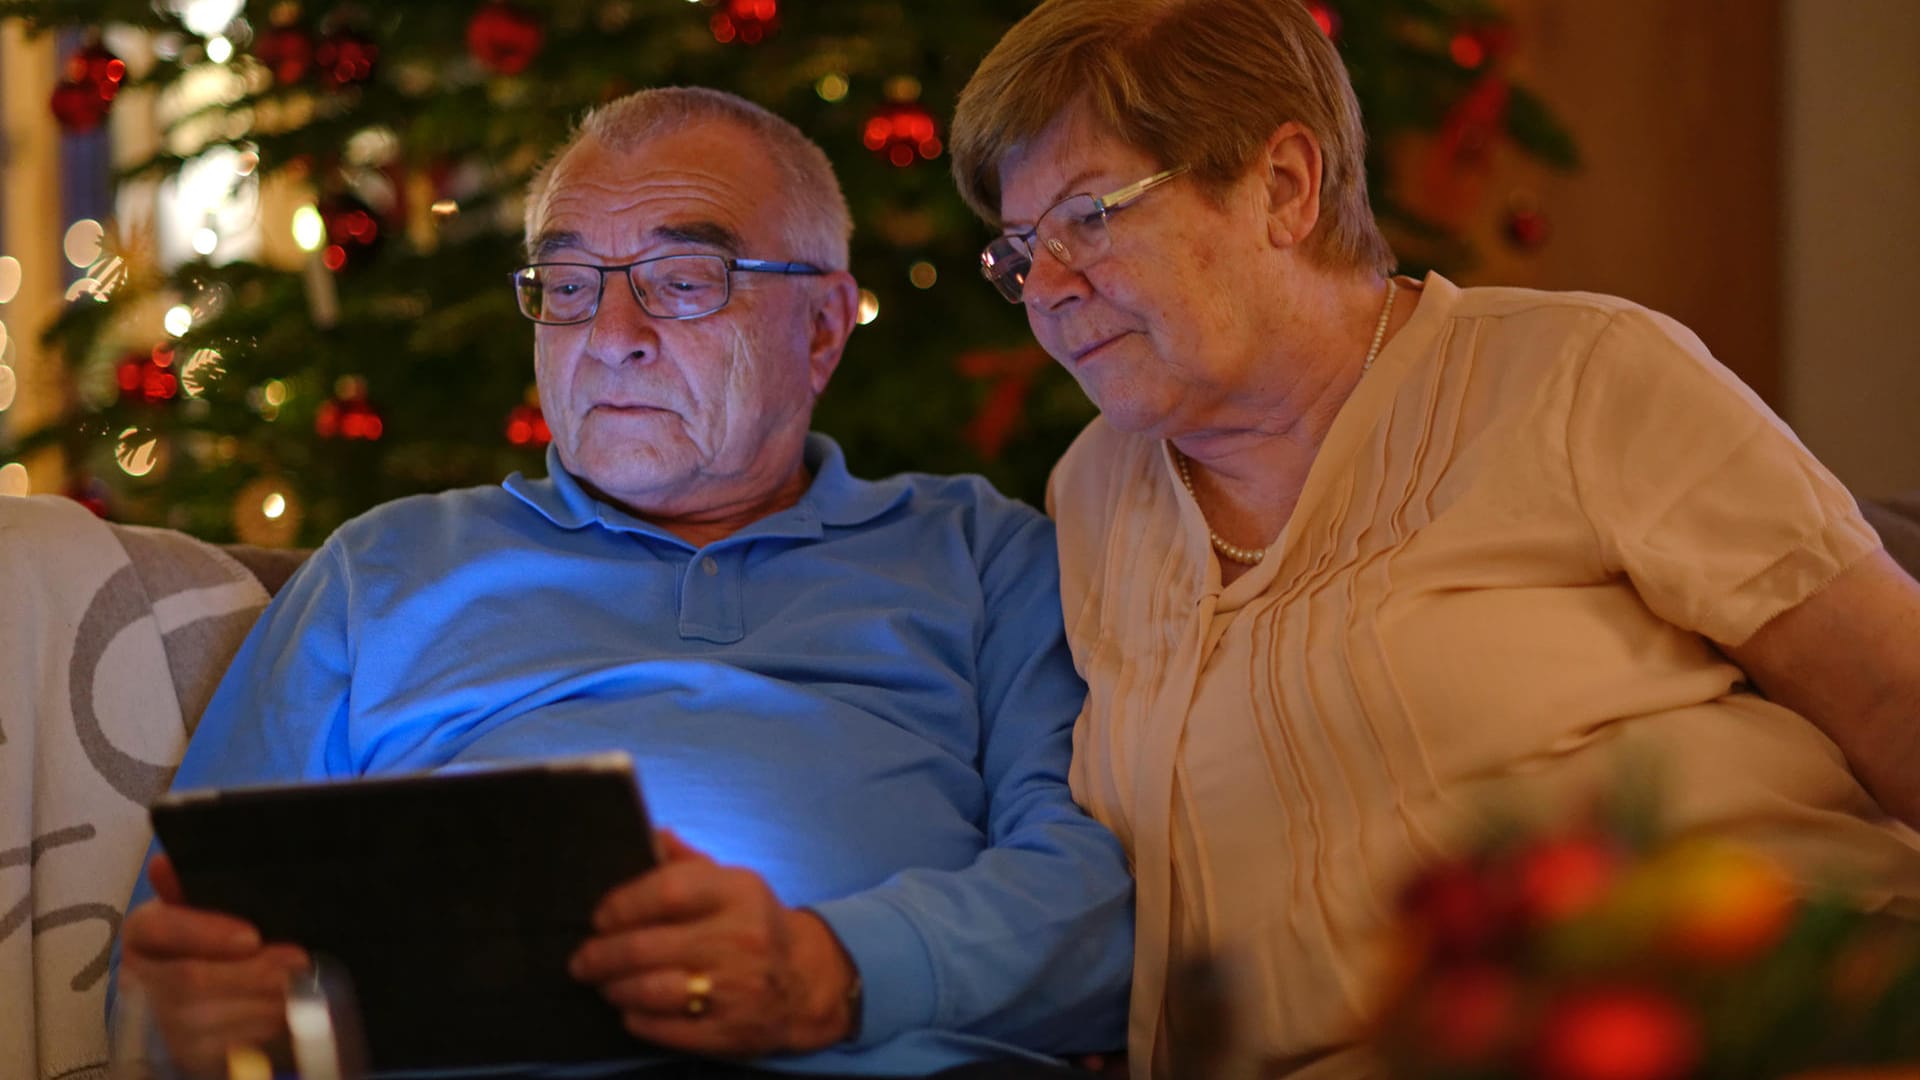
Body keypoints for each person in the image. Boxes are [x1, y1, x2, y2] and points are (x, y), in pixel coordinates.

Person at [949, 1, 1920, 1076]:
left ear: (1283, 186)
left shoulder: (1577, 375)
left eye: (1090, 216)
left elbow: (1895, 697)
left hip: (1740, 1021)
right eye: (1020, 250)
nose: (1045, 287)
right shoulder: (1091, 489)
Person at [116, 87, 1133, 1080]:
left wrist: (830, 968)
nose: (610, 336)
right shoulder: (379, 570)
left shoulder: (981, 555)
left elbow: (1100, 909)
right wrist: (203, 1026)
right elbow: (187, 942)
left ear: (822, 327)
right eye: (567, 287)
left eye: (684, 279)